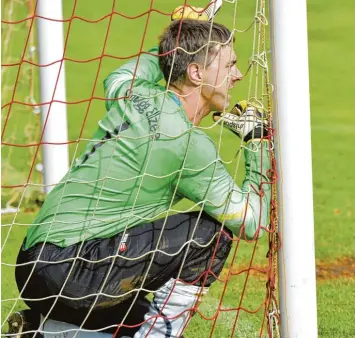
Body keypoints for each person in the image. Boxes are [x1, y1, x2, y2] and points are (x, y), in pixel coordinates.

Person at [11, 14, 271, 338]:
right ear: (195, 72)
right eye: (229, 65)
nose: (238, 74)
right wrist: (257, 142)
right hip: (72, 272)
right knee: (207, 235)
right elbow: (252, 222)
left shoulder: (133, 94)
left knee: (136, 318)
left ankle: (39, 332)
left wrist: (174, 43)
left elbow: (118, 76)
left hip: (32, 269)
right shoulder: (187, 144)